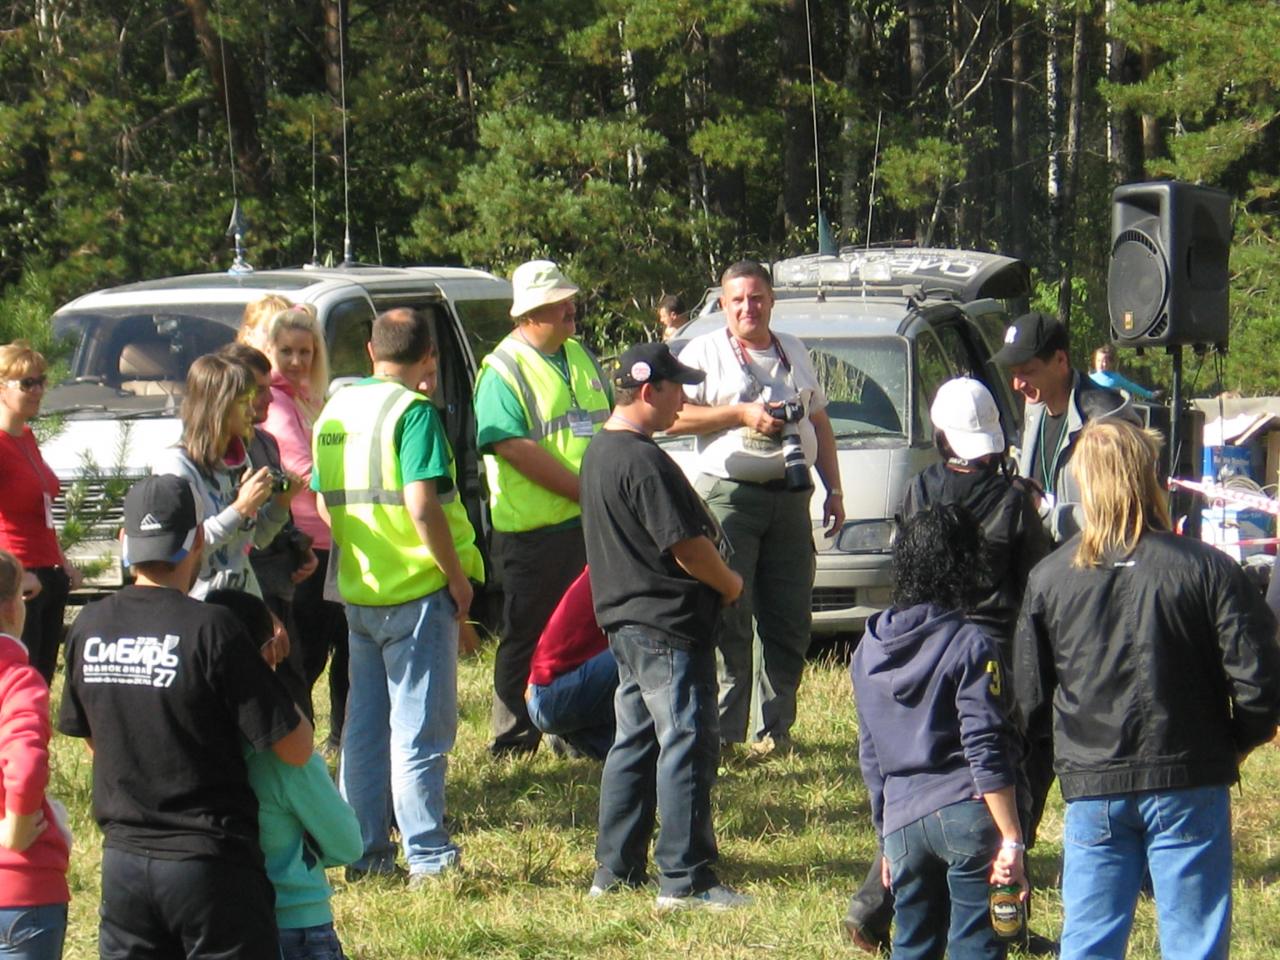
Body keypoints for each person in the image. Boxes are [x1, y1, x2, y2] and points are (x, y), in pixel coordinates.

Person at [1014, 418, 1280, 960]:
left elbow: (1029, 701)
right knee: (1195, 944)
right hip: (1188, 775)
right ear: (1154, 478)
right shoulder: (1209, 569)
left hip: (1095, 783)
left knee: (1087, 943)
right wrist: (1232, 744)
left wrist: (1072, 750)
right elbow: (1259, 683)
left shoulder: (1050, 578)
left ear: (1082, 484)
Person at [57, 474, 313, 960]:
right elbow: (296, 748)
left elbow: (94, 738)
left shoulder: (89, 625)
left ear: (125, 540)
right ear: (197, 540)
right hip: (211, 864)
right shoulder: (213, 629)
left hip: (124, 864)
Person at [843, 377, 1049, 953]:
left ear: (940, 436)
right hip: (990, 648)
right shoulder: (1014, 500)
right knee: (1001, 772)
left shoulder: (919, 489)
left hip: (920, 636)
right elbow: (1036, 586)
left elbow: (872, 754)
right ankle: (1005, 911)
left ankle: (876, 901)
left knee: (919, 769)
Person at [311, 308, 483, 882]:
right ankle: (429, 856)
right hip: (416, 588)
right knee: (419, 731)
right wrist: (456, 577)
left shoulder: (335, 409)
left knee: (364, 730)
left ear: (371, 351)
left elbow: (322, 503)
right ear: (429, 355)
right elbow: (422, 503)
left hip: (360, 591)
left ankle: (364, 853)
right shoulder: (413, 413)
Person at [581, 342, 748, 912]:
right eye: (677, 389)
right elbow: (686, 546)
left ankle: (615, 869)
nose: (685, 401)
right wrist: (729, 583)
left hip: (626, 623)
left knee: (635, 741)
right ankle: (686, 879)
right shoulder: (642, 461)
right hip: (667, 625)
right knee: (687, 740)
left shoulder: (600, 452)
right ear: (649, 390)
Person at [669, 259, 844, 755]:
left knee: (789, 618)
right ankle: (725, 735)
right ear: (723, 304)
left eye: (757, 297)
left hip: (791, 498)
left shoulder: (794, 349)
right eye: (738, 299)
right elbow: (672, 417)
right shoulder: (703, 351)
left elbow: (819, 422)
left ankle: (776, 730)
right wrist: (740, 414)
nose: (749, 307)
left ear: (771, 300)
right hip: (730, 498)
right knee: (729, 614)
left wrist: (834, 489)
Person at [853, 505, 1027, 960]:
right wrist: (1012, 835)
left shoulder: (866, 649)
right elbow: (986, 744)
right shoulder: (971, 643)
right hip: (965, 811)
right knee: (976, 946)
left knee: (911, 946)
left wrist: (886, 836)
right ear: (965, 566)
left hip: (902, 823)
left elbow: (870, 755)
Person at [473, 260, 611, 757]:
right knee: (527, 633)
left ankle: (572, 728)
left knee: (585, 630)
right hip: (534, 531)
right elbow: (512, 447)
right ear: (530, 314)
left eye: (569, 299)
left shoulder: (579, 353)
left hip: (588, 521)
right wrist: (585, 490)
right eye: (558, 303)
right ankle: (513, 738)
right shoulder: (502, 369)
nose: (571, 308)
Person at [204, 589, 361, 960]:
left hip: (216, 918)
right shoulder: (288, 757)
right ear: (267, 654)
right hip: (298, 920)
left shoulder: (194, 745)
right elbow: (348, 843)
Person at [217, 341, 317, 717]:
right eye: (259, 390)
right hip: (244, 595)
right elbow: (231, 538)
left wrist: (298, 546)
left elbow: (270, 520)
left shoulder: (265, 442)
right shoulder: (214, 454)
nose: (269, 399)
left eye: (269, 388)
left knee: (294, 694)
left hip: (278, 587)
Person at [152, 353, 299, 598]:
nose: (251, 410)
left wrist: (281, 503)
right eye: (243, 402)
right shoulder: (176, 466)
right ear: (218, 407)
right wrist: (241, 508)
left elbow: (256, 539)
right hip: (201, 605)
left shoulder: (239, 459)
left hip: (244, 600)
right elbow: (186, 550)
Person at [992, 311, 1132, 543]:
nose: (1017, 384)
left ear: (1060, 360)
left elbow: (1119, 517)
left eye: (1027, 372)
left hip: (1085, 560)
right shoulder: (1035, 408)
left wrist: (1044, 513)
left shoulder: (1105, 419)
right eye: (1013, 373)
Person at [0, 548, 70, 960]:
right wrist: (15, 826)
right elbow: (25, 766)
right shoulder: (17, 678)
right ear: (12, 608)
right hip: (19, 890)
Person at [0, 342, 82, 685]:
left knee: (42, 681)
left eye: (41, 381)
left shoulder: (26, 436)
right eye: (26, 383)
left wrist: (62, 562)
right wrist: (14, 575)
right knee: (20, 680)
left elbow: (40, 515)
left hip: (47, 574)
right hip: (19, 580)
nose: (37, 390)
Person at [525, 566, 617, 761]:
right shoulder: (622, 570)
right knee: (647, 650)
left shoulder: (606, 563)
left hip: (551, 693)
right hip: (552, 695)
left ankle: (574, 739)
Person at [1089, 345, 1156, 400]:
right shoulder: (1090, 378)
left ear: (1110, 363)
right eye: (1099, 360)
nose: (1101, 364)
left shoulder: (1115, 378)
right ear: (1095, 361)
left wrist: (1149, 395)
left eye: (1105, 361)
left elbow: (1131, 386)